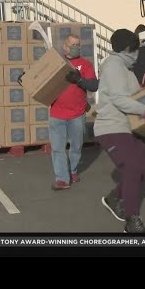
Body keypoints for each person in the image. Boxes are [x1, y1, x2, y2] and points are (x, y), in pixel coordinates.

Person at [95, 29, 145, 233]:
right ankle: (132, 221)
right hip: (110, 127)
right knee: (133, 167)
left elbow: (136, 95)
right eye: (135, 49)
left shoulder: (127, 69)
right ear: (126, 48)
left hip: (127, 127)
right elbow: (119, 99)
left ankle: (114, 198)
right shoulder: (113, 65)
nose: (137, 54)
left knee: (141, 168)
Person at [49, 33, 98, 190]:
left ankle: (73, 170)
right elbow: (41, 81)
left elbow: (94, 86)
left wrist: (79, 80)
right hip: (57, 113)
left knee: (76, 146)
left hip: (77, 113)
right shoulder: (56, 63)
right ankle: (62, 179)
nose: (76, 48)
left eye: (78, 45)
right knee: (57, 148)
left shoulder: (85, 64)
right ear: (65, 46)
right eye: (73, 45)